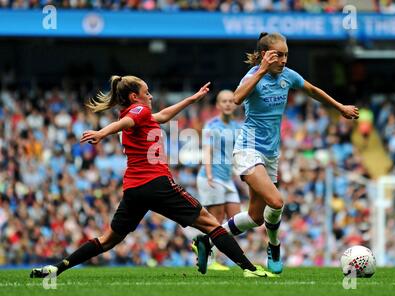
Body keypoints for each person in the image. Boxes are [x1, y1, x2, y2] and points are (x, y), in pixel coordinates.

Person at [29, 75, 273, 279]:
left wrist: (192, 98)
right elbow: (127, 120)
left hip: (134, 189)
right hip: (157, 183)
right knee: (210, 224)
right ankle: (249, 269)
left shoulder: (142, 116)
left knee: (108, 240)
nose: (151, 96)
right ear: (135, 96)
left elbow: (164, 115)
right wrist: (102, 133)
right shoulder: (137, 111)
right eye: (147, 92)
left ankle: (56, 268)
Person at [194, 32, 360, 275]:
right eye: (279, 55)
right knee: (277, 201)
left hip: (271, 153)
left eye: (286, 55)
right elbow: (238, 98)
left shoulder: (288, 76)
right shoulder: (253, 76)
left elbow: (312, 90)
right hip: (248, 149)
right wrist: (260, 70)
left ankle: (207, 239)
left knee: (255, 217)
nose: (283, 60)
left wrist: (340, 107)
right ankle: (274, 246)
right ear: (265, 55)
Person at [196, 90, 242, 271]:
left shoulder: (237, 127)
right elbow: (207, 150)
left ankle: (203, 243)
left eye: (231, 101)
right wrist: (209, 174)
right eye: (224, 101)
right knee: (216, 220)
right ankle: (210, 260)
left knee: (237, 218)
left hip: (227, 179)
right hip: (212, 177)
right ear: (218, 105)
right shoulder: (211, 125)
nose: (228, 104)